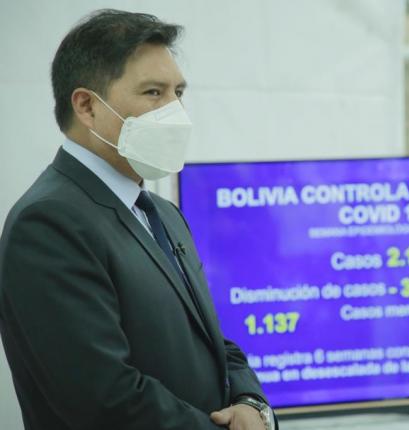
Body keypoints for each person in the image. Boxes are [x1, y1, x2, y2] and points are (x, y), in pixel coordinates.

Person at [0, 9, 276, 430]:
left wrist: (251, 404)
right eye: (153, 93)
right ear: (87, 106)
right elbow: (104, 397)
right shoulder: (48, 223)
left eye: (178, 92)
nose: (175, 110)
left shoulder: (163, 214)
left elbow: (211, 343)